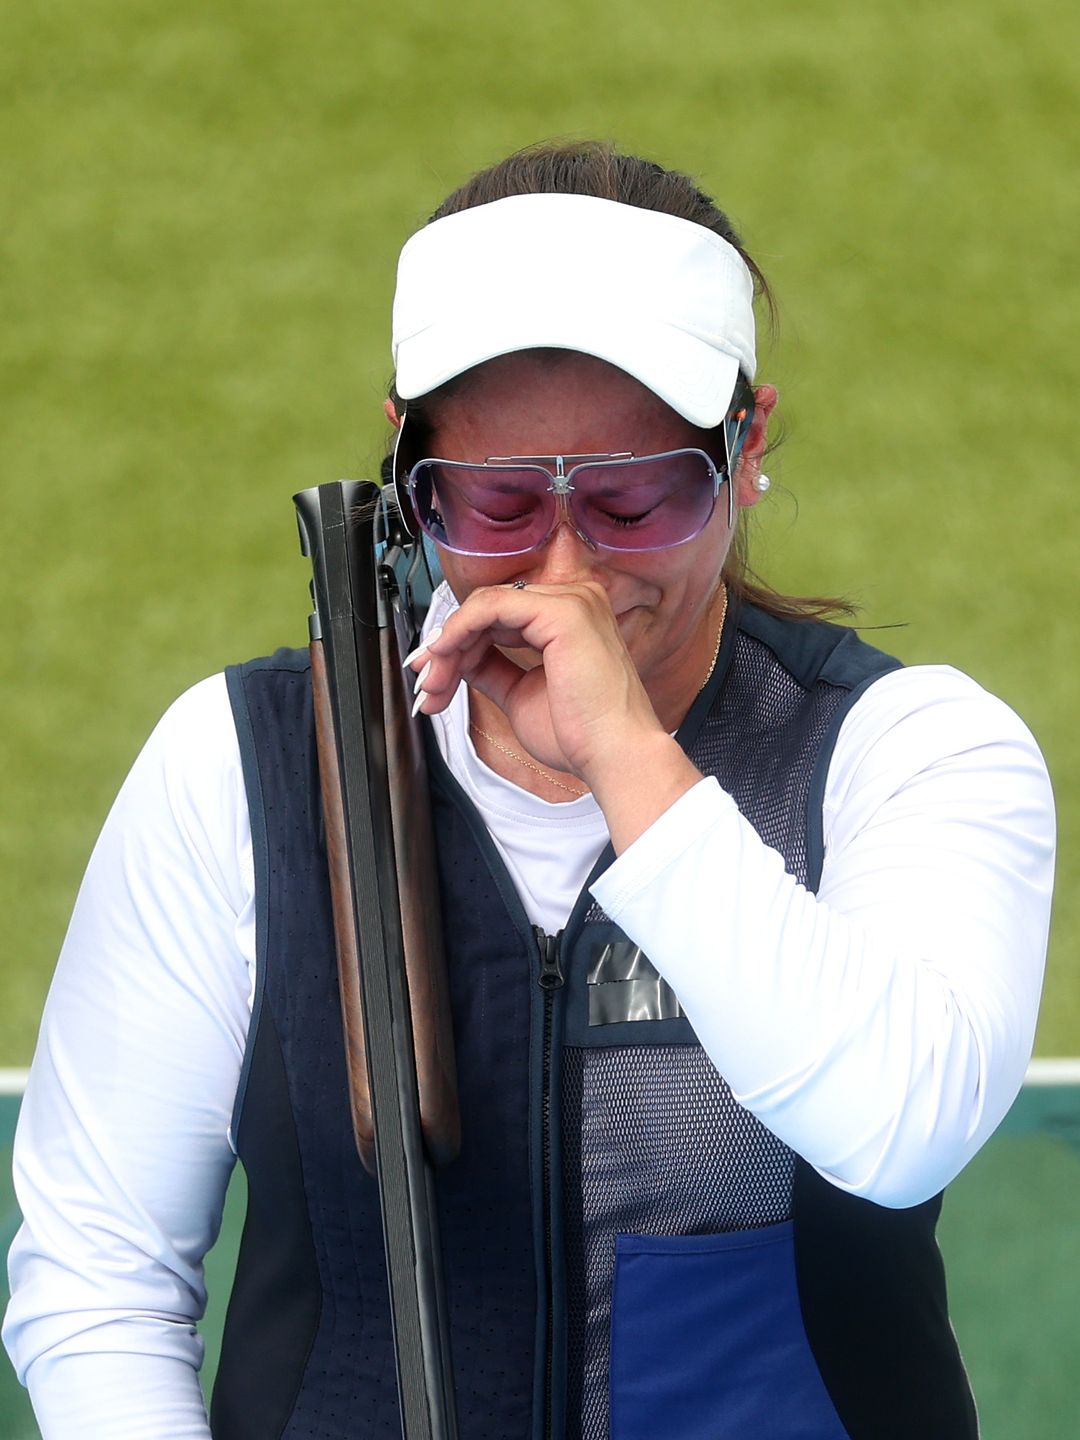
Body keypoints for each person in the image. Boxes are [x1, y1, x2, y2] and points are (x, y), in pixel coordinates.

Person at [3, 141, 1055, 1440]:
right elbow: (96, 1275)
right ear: (402, 467)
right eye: (497, 503)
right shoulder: (236, 762)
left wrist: (628, 758)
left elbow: (898, 1127)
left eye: (632, 502)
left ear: (748, 444)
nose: (565, 574)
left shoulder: (917, 751)